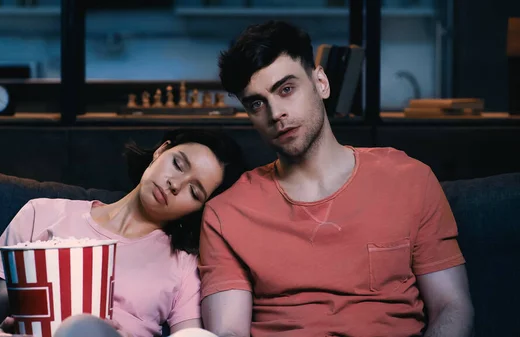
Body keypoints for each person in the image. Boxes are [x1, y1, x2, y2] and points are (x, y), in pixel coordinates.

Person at [198, 20, 474, 337]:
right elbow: (229, 332)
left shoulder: (409, 179)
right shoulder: (227, 214)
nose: (275, 114)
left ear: (321, 83)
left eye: (286, 90)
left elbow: (452, 307)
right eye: (257, 103)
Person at [0, 128, 247, 337]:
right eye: (178, 164)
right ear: (161, 151)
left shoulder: (184, 266)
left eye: (194, 191)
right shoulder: (40, 213)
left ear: (198, 209)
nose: (176, 184)